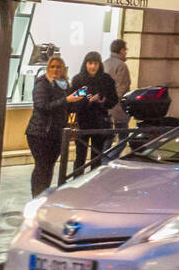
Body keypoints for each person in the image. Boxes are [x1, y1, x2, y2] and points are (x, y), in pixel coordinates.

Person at [27, 57, 81, 197]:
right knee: (42, 166)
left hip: (56, 133)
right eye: (52, 67)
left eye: (59, 67)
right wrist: (66, 100)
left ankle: (44, 194)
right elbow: (42, 106)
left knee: (49, 166)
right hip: (40, 132)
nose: (55, 70)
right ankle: (37, 196)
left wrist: (76, 101)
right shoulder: (43, 84)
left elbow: (67, 108)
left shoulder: (64, 86)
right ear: (48, 68)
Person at [68, 51, 118, 173]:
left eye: (95, 63)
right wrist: (88, 101)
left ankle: (93, 185)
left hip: (99, 123)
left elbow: (114, 99)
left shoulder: (106, 80)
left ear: (99, 64)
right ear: (85, 64)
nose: (93, 67)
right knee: (80, 157)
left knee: (96, 157)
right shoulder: (79, 80)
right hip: (83, 122)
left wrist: (103, 102)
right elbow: (73, 103)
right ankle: (77, 184)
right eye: (90, 63)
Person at [104, 39, 132, 130]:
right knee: (122, 136)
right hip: (117, 108)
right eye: (125, 50)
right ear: (121, 50)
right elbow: (121, 88)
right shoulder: (121, 66)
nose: (126, 53)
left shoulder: (104, 63)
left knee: (107, 137)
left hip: (105, 108)